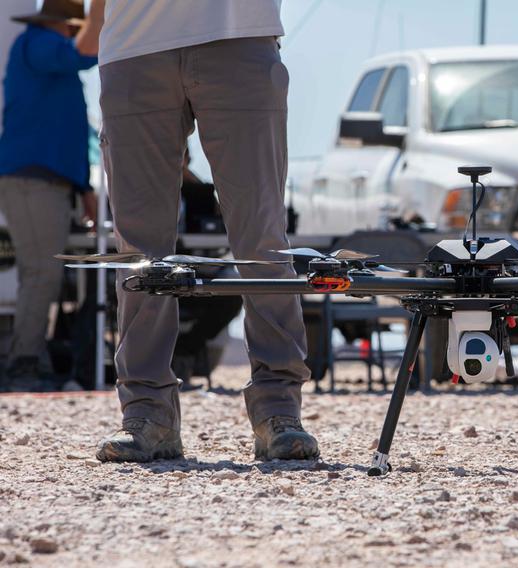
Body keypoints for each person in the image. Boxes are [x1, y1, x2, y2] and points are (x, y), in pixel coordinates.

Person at [91, 0, 319, 463]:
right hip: (134, 46)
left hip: (238, 38)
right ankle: (147, 411)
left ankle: (278, 408)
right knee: (140, 251)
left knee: (262, 239)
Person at [0, 0, 101, 392]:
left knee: (40, 272)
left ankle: (31, 356)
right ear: (66, 24)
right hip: (33, 180)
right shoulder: (38, 42)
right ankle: (25, 361)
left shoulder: (44, 51)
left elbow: (65, 130)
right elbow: (86, 52)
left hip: (44, 180)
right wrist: (100, 11)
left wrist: (83, 188)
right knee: (41, 272)